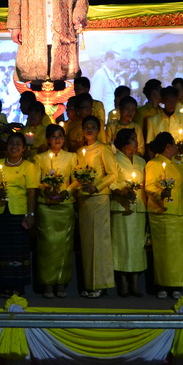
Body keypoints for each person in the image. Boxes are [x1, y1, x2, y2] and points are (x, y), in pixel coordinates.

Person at [70, 115, 118, 298]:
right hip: (84, 200)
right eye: (86, 126)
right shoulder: (80, 151)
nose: (89, 129)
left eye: (93, 126)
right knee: (87, 242)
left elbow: (113, 174)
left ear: (98, 130)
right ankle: (89, 283)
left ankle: (100, 284)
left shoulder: (103, 148)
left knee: (99, 241)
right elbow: (77, 177)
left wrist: (96, 187)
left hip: (99, 198)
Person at [0, 133, 39, 297]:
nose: (14, 146)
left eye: (18, 144)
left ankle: (17, 285)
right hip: (0, 211)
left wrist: (30, 214)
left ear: (23, 148)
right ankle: (2, 285)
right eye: (11, 143)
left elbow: (31, 192)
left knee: (18, 250)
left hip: (19, 212)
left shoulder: (29, 166)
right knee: (1, 249)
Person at [145, 132, 183, 299]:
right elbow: (149, 187)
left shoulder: (178, 165)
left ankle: (177, 285)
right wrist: (161, 194)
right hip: (162, 212)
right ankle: (163, 284)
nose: (176, 148)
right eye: (173, 145)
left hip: (179, 212)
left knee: (179, 253)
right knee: (164, 252)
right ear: (168, 146)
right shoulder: (154, 163)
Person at [32, 124, 77, 298]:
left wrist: (68, 191)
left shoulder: (72, 157)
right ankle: (47, 284)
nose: (57, 139)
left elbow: (76, 179)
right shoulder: (39, 158)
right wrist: (45, 189)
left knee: (65, 246)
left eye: (60, 136)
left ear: (64, 139)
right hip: (46, 206)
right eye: (53, 136)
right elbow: (35, 181)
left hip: (65, 205)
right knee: (47, 246)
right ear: (48, 140)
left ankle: (61, 283)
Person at [110, 128, 147, 298]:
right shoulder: (114, 159)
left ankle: (135, 281)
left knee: (137, 245)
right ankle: (123, 280)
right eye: (133, 138)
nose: (136, 141)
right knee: (122, 245)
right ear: (125, 142)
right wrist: (121, 191)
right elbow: (111, 180)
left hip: (138, 207)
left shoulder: (141, 161)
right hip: (121, 207)